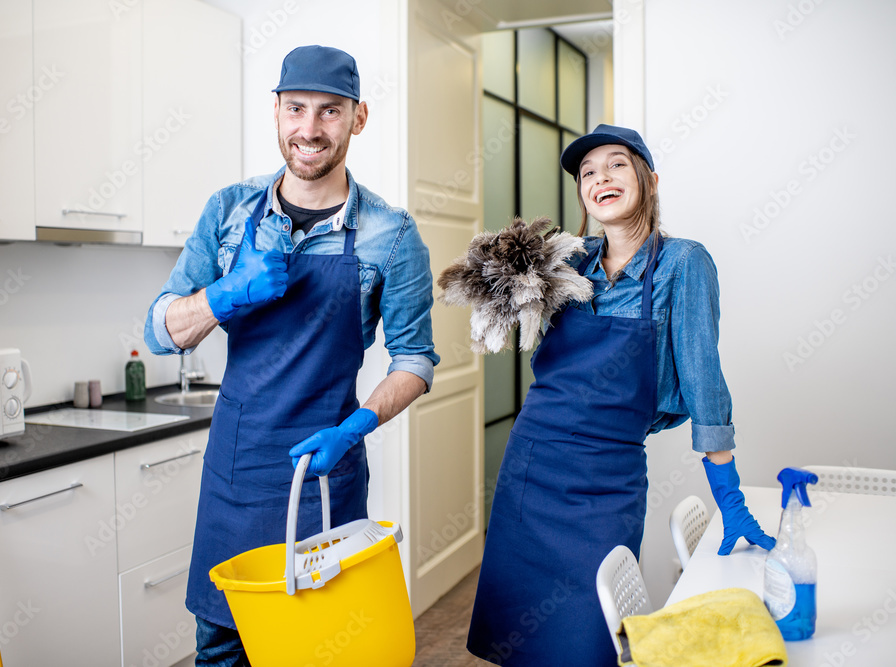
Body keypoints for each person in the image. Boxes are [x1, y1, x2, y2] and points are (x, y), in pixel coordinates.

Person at [144, 45, 438, 666]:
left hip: (325, 481)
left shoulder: (392, 233)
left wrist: (357, 426)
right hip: (235, 472)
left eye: (330, 112)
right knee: (223, 648)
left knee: (318, 649)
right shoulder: (228, 211)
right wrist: (223, 294)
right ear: (276, 112)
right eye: (296, 109)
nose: (310, 129)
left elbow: (415, 360)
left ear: (358, 119)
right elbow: (161, 331)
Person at [466, 124, 775, 666]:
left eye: (616, 166)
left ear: (649, 181)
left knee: (590, 639)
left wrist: (728, 495)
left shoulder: (683, 263)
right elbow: (496, 297)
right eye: (588, 173)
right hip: (533, 464)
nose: (600, 179)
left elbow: (704, 378)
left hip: (608, 477)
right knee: (519, 637)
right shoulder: (564, 262)